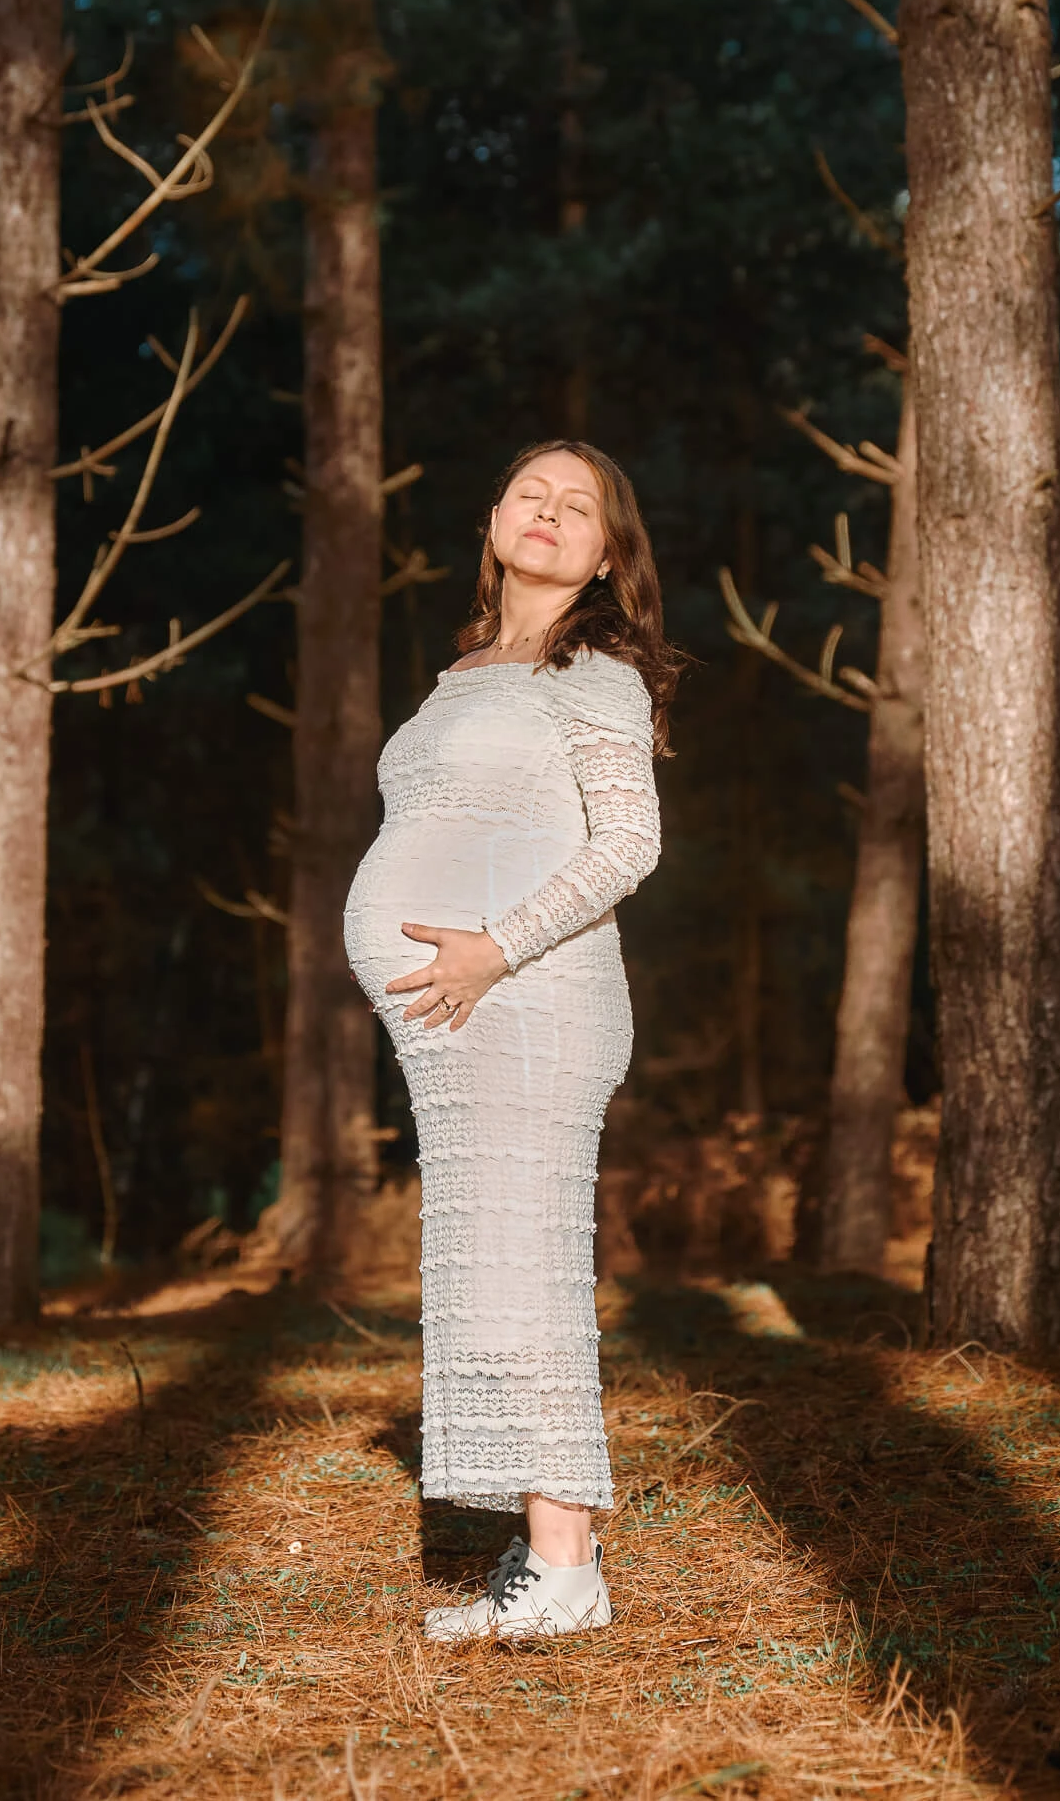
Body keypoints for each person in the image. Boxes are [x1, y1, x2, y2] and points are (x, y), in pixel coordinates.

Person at [344, 439, 682, 1642]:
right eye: (529, 493)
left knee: (526, 1267)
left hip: (530, 999)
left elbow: (625, 845)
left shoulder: (589, 667)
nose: (547, 512)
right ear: (491, 519)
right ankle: (549, 1552)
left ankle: (565, 1569)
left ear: (604, 553)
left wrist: (492, 945)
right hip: (464, 1018)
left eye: (576, 504)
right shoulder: (467, 671)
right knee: (488, 1274)